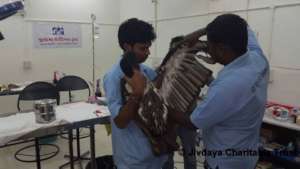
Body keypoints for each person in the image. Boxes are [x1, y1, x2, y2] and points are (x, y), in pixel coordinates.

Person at [169, 13, 269, 169]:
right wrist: (202, 32)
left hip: (224, 162)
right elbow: (243, 26)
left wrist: (159, 103)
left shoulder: (227, 86)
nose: (207, 49)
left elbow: (192, 122)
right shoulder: (258, 59)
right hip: (248, 155)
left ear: (221, 49)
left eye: (209, 46)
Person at [103, 18, 167, 169]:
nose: (148, 53)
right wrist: (136, 94)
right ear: (127, 47)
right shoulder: (113, 76)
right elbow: (120, 121)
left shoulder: (147, 71)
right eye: (143, 49)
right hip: (133, 157)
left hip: (157, 152)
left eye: (148, 48)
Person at [162, 36, 197, 169]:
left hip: (189, 118)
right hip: (170, 118)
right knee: (167, 154)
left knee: (190, 155)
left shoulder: (195, 68)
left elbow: (214, 84)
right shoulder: (165, 68)